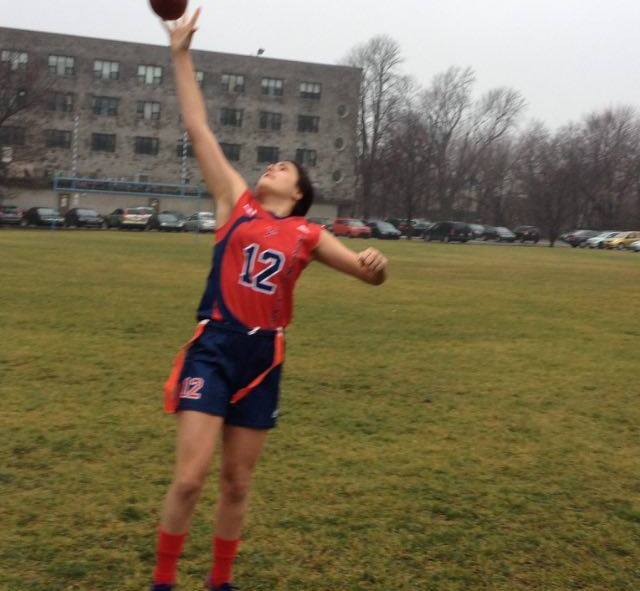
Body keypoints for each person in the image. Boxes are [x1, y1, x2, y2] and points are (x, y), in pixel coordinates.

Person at [151, 9, 388, 591]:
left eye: (285, 167)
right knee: (190, 479)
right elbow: (199, 129)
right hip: (214, 348)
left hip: (262, 360)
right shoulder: (235, 203)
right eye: (273, 162)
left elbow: (366, 275)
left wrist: (376, 266)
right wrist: (180, 53)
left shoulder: (308, 233)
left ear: (299, 192)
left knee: (236, 484)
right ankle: (163, 581)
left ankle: (220, 581)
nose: (273, 166)